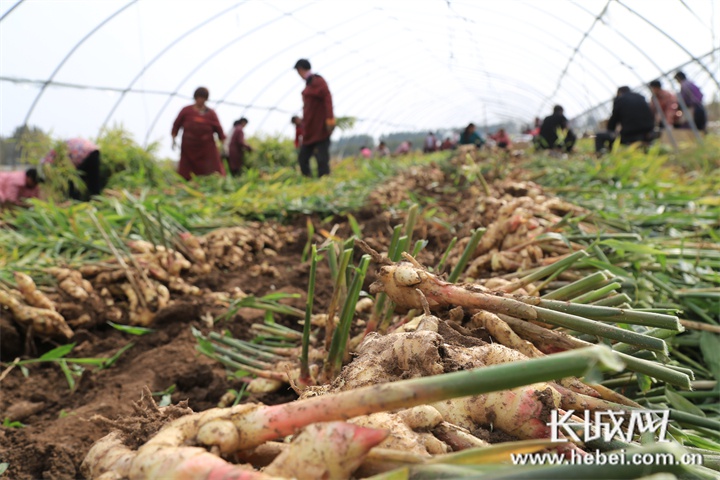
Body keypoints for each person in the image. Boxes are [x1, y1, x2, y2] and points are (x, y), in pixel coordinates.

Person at [171, 86, 226, 181]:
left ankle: (213, 182)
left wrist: (223, 144)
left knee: (212, 169)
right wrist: (174, 139)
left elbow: (219, 130)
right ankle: (186, 183)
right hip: (189, 147)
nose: (201, 101)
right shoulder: (186, 111)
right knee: (187, 170)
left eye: (203, 99)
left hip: (207, 149)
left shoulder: (211, 113)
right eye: (199, 98)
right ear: (195, 98)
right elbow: (176, 125)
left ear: (206, 99)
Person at [294, 59, 335, 178]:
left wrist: (330, 119)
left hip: (320, 128)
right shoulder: (308, 84)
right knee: (303, 158)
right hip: (310, 129)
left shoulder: (318, 81)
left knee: (322, 159)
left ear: (301, 69)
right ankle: (308, 179)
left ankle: (324, 182)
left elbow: (328, 100)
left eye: (298, 72)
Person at [595, 86, 654, 154]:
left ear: (619, 93)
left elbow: (613, 123)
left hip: (629, 136)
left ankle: (602, 157)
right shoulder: (641, 97)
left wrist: (611, 130)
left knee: (599, 136)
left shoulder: (620, 100)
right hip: (648, 134)